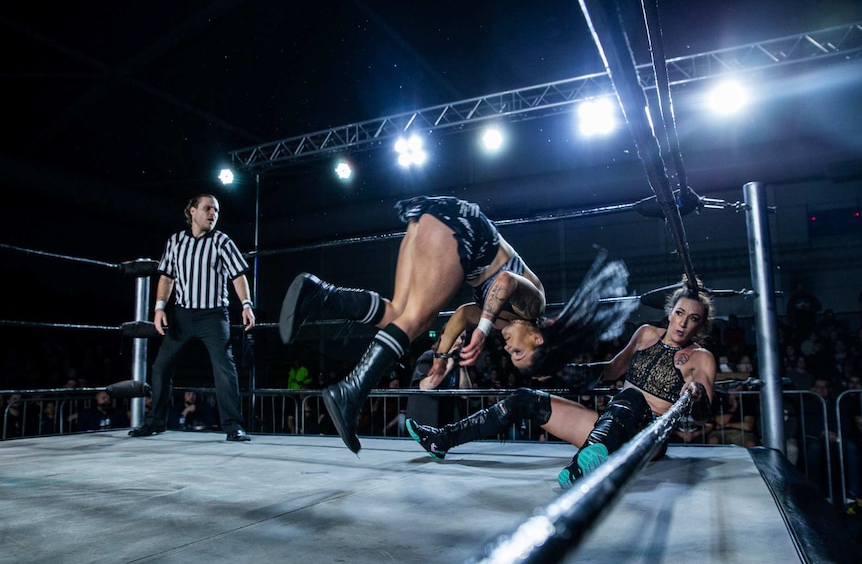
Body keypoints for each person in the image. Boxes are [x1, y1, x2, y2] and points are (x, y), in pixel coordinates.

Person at [279, 195, 633, 453]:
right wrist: (482, 332)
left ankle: (322, 294)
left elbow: (463, 313)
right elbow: (505, 283)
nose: (508, 348)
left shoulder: (505, 323)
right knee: (415, 319)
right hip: (464, 233)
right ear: (539, 338)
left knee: (400, 312)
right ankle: (349, 392)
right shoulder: (534, 302)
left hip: (435, 221)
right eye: (518, 350)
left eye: (511, 354)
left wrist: (442, 355)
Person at [406, 280, 716, 489]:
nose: (683, 323)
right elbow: (609, 371)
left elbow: (702, 410)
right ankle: (441, 440)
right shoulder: (646, 334)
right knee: (525, 399)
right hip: (611, 429)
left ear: (701, 324)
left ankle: (584, 467)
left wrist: (694, 391)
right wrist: (560, 369)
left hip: (648, 438)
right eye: (680, 313)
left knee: (633, 399)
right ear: (670, 312)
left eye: (693, 319)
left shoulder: (701, 358)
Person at [129, 194, 254, 442]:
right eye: (208, 208)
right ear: (193, 211)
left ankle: (233, 426)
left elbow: (238, 275)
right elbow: (166, 277)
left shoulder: (222, 241)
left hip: (214, 316)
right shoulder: (175, 241)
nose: (213, 214)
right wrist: (159, 308)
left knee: (224, 368)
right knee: (160, 366)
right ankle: (156, 422)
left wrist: (247, 305)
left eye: (216, 211)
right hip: (182, 315)